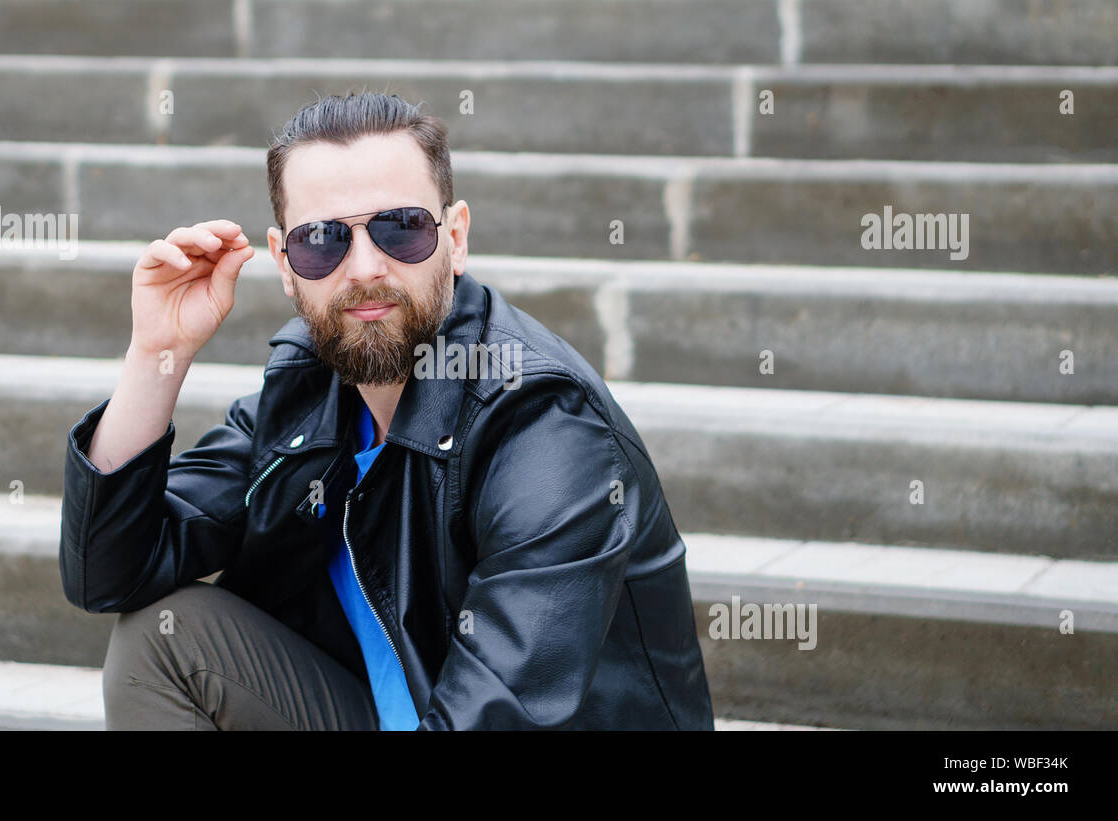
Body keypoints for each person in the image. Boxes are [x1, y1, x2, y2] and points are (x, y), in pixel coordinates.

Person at [58, 92, 714, 730]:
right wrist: (155, 354)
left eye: (400, 228)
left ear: (455, 238)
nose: (365, 267)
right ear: (286, 263)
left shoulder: (544, 424)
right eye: (322, 240)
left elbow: (499, 714)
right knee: (161, 640)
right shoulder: (305, 396)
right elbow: (108, 574)